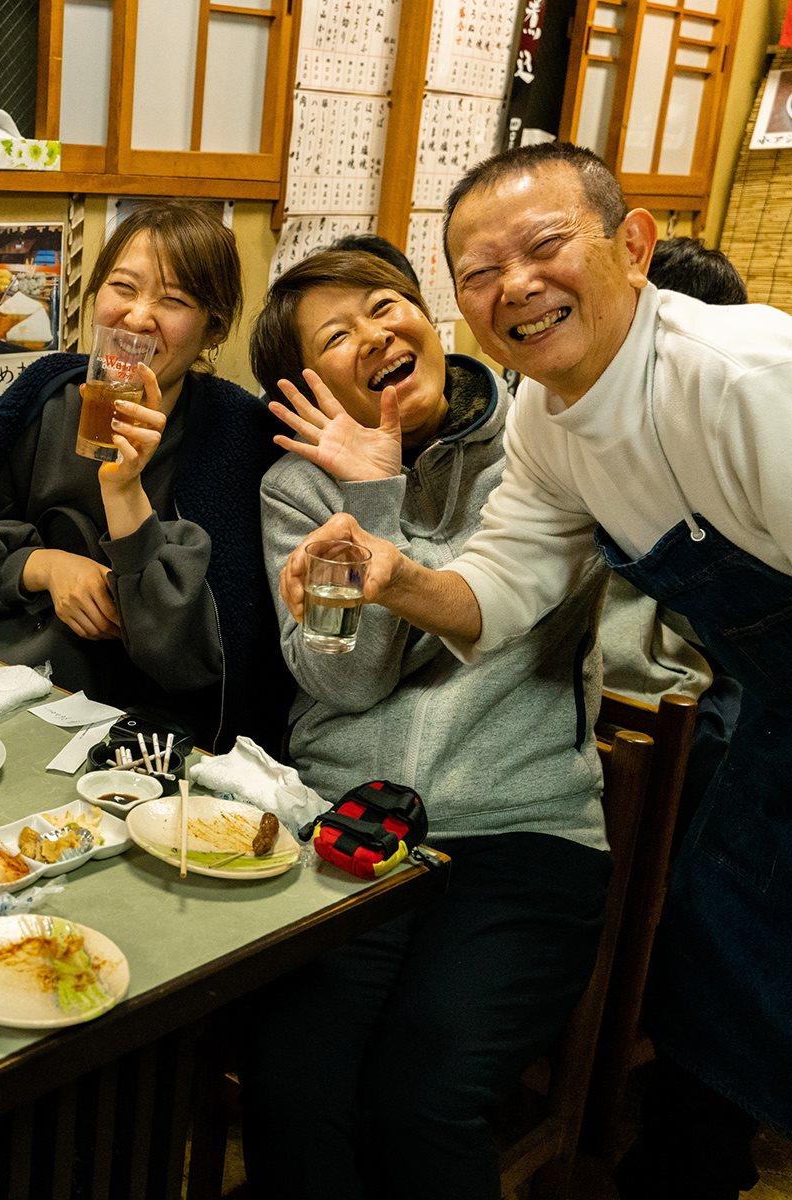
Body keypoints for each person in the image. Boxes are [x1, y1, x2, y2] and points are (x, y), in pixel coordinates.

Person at [278, 141, 792, 1200]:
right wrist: (392, 575)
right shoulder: (546, 414)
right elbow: (502, 587)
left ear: (635, 244)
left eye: (546, 245)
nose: (516, 285)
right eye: (480, 270)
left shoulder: (750, 383)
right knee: (717, 1015)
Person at [240, 249, 610, 1199]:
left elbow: (494, 607)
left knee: (424, 1097)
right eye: (336, 337)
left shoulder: (546, 444)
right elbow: (351, 681)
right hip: (347, 827)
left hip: (519, 831)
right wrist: (368, 496)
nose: (376, 337)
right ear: (309, 385)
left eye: (386, 307)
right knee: (292, 1085)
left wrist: (386, 537)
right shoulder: (299, 490)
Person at [0, 201, 286, 749]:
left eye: (172, 301)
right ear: (96, 293)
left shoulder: (234, 438)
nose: (138, 317)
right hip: (2, 698)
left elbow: (199, 657)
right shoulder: (46, 400)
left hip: (140, 737)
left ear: (212, 328)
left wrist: (125, 497)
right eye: (123, 287)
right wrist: (44, 565)